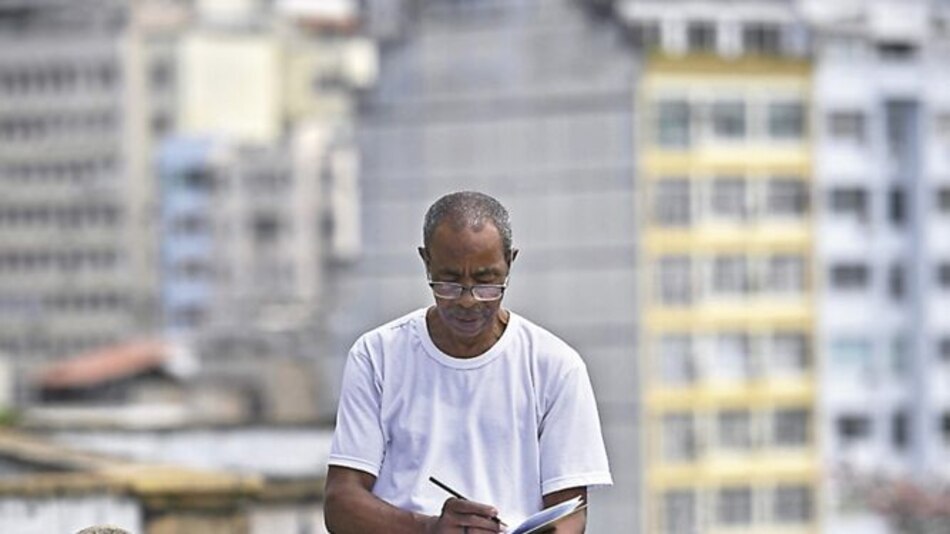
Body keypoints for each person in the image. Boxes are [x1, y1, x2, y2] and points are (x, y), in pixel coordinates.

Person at [325, 191, 612, 533]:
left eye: (486, 282)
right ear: (426, 261)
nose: (467, 300)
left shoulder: (556, 366)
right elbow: (340, 503)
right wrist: (430, 529)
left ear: (510, 263)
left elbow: (569, 515)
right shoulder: (377, 355)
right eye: (448, 283)